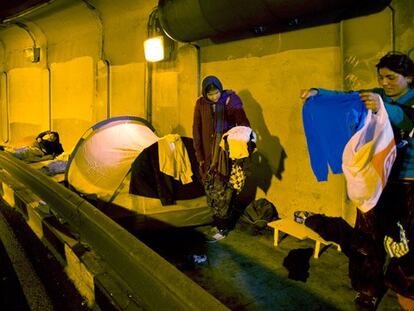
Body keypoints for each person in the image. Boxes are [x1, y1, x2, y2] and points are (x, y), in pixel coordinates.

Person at [302, 52, 414, 310]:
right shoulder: (377, 95)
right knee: (366, 237)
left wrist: (385, 109)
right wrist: (318, 94)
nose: (385, 82)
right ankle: (367, 288)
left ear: (408, 77)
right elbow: (347, 97)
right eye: (381, 77)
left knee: (409, 239)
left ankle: (406, 288)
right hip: (375, 180)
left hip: (408, 181)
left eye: (391, 77)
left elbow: (407, 121)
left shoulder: (398, 102)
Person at [192, 76, 251, 242]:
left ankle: (222, 227)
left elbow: (240, 118)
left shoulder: (230, 100)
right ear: (205, 94)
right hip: (207, 155)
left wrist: (244, 133)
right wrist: (200, 156)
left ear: (220, 89)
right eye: (210, 94)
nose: (214, 97)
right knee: (211, 189)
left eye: (216, 92)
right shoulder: (201, 104)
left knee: (223, 190)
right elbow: (196, 129)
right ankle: (218, 223)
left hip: (224, 154)